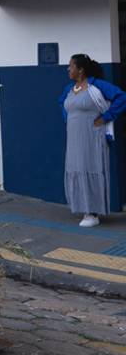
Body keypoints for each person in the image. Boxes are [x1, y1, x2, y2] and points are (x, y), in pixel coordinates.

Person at [59, 54, 126, 227]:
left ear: (80, 70)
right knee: (76, 168)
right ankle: (82, 207)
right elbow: (62, 103)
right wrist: (69, 118)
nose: (68, 69)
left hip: (92, 136)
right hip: (74, 137)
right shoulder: (70, 88)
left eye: (71, 66)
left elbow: (121, 97)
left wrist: (105, 117)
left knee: (91, 167)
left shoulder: (97, 86)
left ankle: (93, 213)